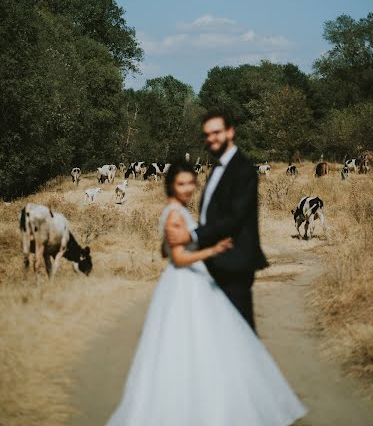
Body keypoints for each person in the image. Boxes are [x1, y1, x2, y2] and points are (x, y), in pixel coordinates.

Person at [105, 161, 306, 426]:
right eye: (181, 183)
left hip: (193, 279)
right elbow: (177, 258)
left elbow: (164, 250)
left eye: (191, 183)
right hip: (184, 282)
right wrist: (213, 250)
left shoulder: (174, 212)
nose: (188, 188)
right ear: (170, 185)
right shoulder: (175, 214)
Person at [165, 109, 267, 330]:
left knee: (241, 333)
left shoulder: (242, 169)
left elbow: (235, 217)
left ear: (230, 132)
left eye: (217, 132)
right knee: (220, 332)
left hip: (233, 260)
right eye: (207, 134)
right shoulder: (219, 168)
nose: (211, 138)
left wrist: (191, 235)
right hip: (214, 261)